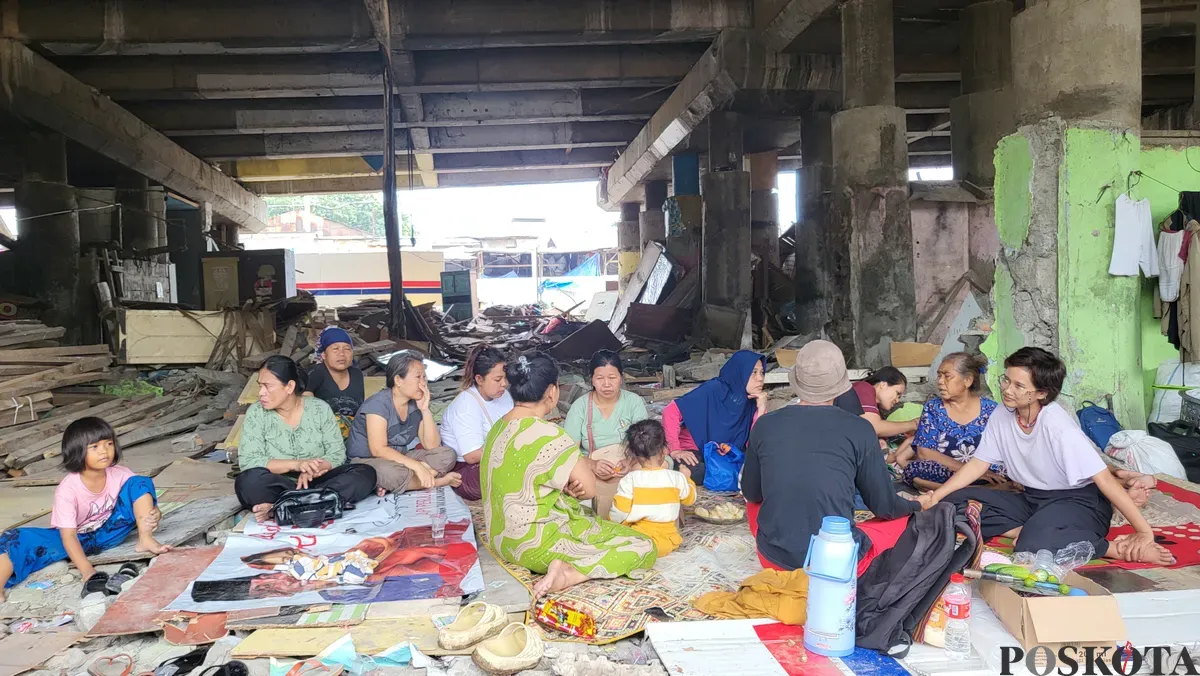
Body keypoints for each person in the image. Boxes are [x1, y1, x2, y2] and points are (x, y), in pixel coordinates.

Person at [922, 347, 1173, 565]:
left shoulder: (1057, 425)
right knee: (950, 505)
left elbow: (1104, 480)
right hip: (1031, 500)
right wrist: (937, 496)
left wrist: (1144, 532)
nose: (1007, 390)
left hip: (1078, 503)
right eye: (1006, 380)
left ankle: (1112, 549)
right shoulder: (1002, 414)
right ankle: (1031, 529)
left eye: (1019, 386)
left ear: (1042, 393)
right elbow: (978, 464)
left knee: (1030, 548)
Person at [480, 352, 657, 598]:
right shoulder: (551, 435)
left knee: (582, 514)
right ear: (553, 392)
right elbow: (589, 489)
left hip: (501, 540)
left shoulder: (497, 427)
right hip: (534, 546)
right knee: (644, 546)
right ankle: (570, 574)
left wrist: (563, 487)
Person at [743, 340, 921, 574]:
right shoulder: (860, 429)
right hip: (834, 564)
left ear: (797, 381)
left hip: (774, 559)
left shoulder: (764, 424)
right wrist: (917, 503)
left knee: (754, 505)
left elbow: (751, 493)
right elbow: (883, 506)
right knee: (902, 521)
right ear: (840, 387)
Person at [0, 418, 170, 599]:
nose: (104, 451)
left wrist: (154, 513)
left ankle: (145, 539)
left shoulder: (121, 473)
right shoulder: (67, 489)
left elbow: (140, 498)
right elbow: (69, 536)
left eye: (109, 444)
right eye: (95, 446)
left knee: (140, 482)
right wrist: (87, 570)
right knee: (14, 537)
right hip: (77, 540)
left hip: (111, 531)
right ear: (77, 451)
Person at [236, 356, 377, 521]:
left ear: (289, 386)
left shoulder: (319, 409)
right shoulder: (256, 413)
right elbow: (250, 461)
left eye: (267, 386)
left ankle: (283, 507)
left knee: (365, 473)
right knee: (247, 482)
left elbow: (337, 453)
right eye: (260, 386)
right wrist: (297, 465)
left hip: (319, 480)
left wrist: (313, 470)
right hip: (281, 483)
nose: (261, 393)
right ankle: (321, 503)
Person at [346, 351, 461, 495]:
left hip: (400, 459)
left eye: (424, 377)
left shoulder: (415, 404)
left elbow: (432, 446)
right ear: (398, 380)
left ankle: (403, 483)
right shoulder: (378, 404)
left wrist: (425, 410)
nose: (423, 383)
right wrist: (418, 467)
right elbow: (378, 450)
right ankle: (436, 481)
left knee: (448, 454)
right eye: (418, 377)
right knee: (393, 473)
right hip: (367, 461)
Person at [896, 353, 1005, 490]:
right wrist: (969, 471)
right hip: (949, 473)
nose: (940, 381)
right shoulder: (933, 407)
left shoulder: (990, 409)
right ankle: (976, 491)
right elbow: (924, 452)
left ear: (967, 381)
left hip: (985, 473)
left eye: (947, 376)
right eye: (939, 376)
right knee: (915, 470)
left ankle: (955, 490)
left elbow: (1001, 450)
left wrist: (981, 472)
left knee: (1005, 473)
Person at [563, 350, 649, 517]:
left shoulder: (633, 402)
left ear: (621, 378)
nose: (607, 384)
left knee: (657, 465)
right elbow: (569, 451)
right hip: (592, 464)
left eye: (612, 378)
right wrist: (592, 464)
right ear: (592, 380)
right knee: (572, 476)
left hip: (629, 462)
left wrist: (630, 461)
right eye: (600, 378)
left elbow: (645, 441)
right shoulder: (580, 407)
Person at [661, 350, 767, 485]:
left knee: (760, 468)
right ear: (739, 372)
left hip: (725, 454)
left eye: (762, 372)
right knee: (695, 471)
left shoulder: (753, 402)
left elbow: (754, 443)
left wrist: (761, 408)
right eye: (754, 372)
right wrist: (675, 450)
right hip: (695, 450)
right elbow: (670, 412)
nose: (760, 378)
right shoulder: (714, 389)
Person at [609, 420, 696, 556]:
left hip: (639, 541)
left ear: (633, 453)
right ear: (664, 451)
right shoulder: (677, 478)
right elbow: (690, 499)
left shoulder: (630, 480)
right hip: (668, 542)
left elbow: (619, 512)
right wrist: (687, 478)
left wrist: (612, 526)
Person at [439, 345, 513, 501]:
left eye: (505, 378)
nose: (504, 384)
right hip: (467, 469)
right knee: (515, 471)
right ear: (479, 379)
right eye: (498, 379)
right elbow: (472, 456)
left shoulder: (504, 396)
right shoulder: (466, 405)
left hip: (500, 454)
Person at [305, 327, 366, 438]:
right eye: (335, 349)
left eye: (347, 349)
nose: (342, 354)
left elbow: (360, 409)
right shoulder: (314, 373)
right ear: (323, 355)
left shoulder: (357, 374)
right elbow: (306, 410)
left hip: (355, 434)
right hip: (322, 434)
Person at [834, 366, 918, 442]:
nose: (897, 400)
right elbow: (875, 427)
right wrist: (914, 424)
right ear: (883, 384)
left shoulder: (875, 411)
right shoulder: (864, 388)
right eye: (897, 393)